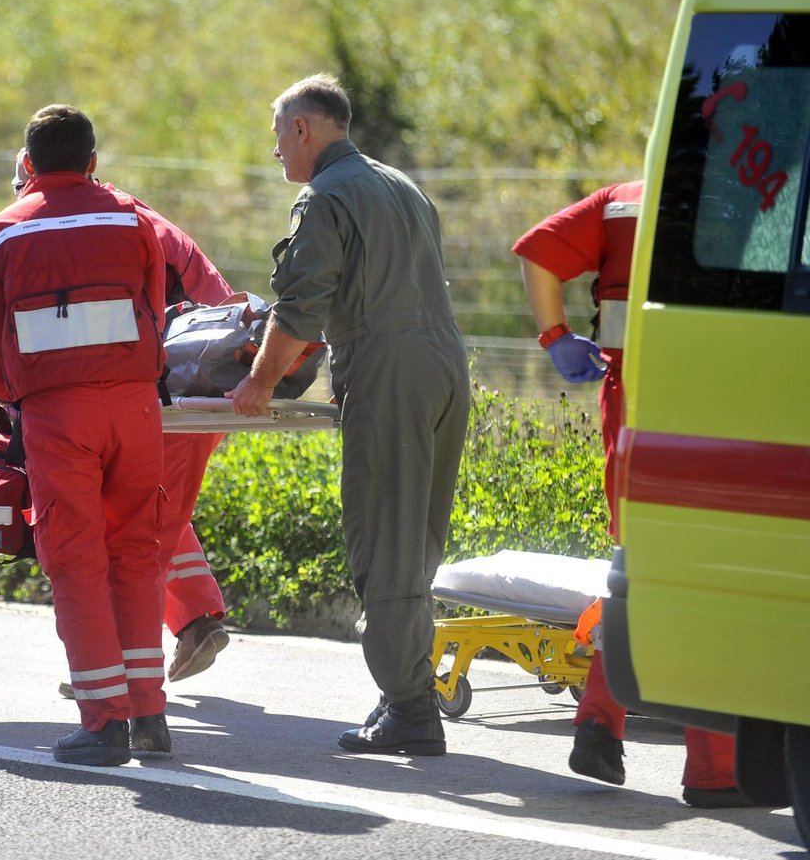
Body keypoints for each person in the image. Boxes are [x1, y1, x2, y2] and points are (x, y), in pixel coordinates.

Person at [230, 74, 470, 756]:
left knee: (384, 537)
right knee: (417, 536)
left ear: (303, 128)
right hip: (445, 364)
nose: (275, 149)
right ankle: (407, 685)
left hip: (390, 370)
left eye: (278, 134)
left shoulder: (325, 195)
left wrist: (258, 382)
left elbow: (302, 305)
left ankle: (411, 707)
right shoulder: (400, 183)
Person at [515, 181, 753, 809]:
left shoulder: (625, 200)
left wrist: (555, 336)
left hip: (637, 410)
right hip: (726, 410)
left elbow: (538, 252)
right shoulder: (762, 192)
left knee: (643, 570)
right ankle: (713, 770)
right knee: (713, 587)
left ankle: (600, 716)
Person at [0, 106, 169, 766]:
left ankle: (103, 718)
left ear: (27, 165)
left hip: (58, 415)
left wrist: (14, 393)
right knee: (137, 552)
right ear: (92, 161)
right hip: (136, 407)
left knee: (76, 559)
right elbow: (156, 313)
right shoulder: (134, 219)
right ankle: (149, 716)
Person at [10, 150, 233, 690]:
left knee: (133, 541)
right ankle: (196, 617)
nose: (19, 197)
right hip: (188, 383)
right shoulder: (118, 214)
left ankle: (116, 678)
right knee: (144, 517)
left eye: (21, 185)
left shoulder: (86, 223)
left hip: (173, 392)